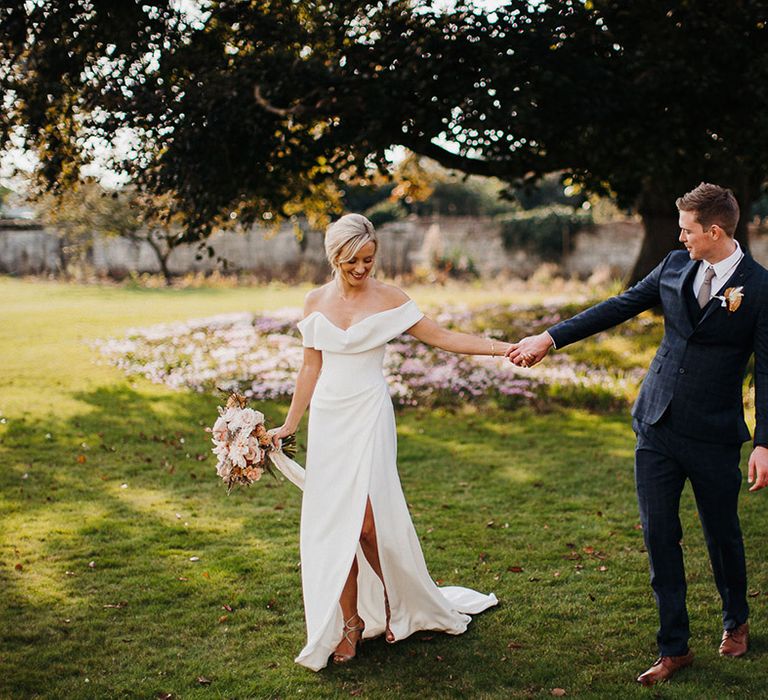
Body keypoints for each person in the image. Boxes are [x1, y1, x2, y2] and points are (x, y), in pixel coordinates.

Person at [507, 183, 768, 686]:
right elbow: (617, 306)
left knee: (722, 534)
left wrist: (764, 443)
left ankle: (736, 619)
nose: (680, 237)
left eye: (688, 230)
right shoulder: (672, 266)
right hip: (656, 423)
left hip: (714, 433)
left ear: (715, 232)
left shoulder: (759, 289)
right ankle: (675, 648)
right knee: (658, 535)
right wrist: (549, 337)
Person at [271, 213, 503, 670]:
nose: (361, 268)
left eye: (369, 260)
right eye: (352, 260)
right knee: (335, 525)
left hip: (370, 414)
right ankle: (351, 624)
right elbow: (310, 367)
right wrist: (289, 425)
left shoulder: (391, 299)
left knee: (367, 526)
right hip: (331, 420)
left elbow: (444, 338)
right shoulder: (314, 301)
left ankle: (404, 603)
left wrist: (505, 348)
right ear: (335, 257)